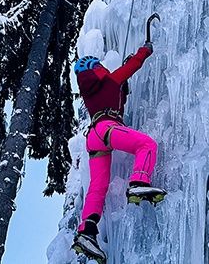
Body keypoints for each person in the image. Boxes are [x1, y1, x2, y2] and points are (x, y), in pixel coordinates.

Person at [71, 42, 166, 261]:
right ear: (97, 69)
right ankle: (138, 183)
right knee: (147, 145)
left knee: (98, 187)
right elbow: (132, 66)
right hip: (108, 128)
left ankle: (87, 231)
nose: (105, 69)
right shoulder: (109, 80)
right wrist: (144, 51)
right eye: (101, 67)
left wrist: (122, 90)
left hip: (94, 136)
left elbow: (115, 96)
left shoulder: (90, 92)